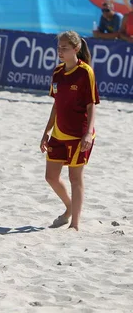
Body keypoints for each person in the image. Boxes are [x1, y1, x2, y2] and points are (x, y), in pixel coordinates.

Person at [40, 31, 99, 231]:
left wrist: (88, 133)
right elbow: (56, 105)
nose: (60, 51)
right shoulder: (57, 72)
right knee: (51, 177)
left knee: (75, 178)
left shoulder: (85, 72)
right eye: (58, 48)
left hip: (79, 134)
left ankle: (74, 224)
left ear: (76, 49)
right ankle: (69, 207)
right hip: (59, 133)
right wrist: (46, 132)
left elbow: (92, 105)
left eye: (64, 48)